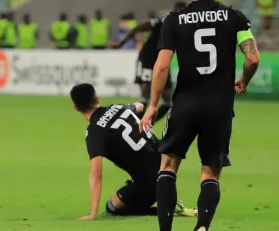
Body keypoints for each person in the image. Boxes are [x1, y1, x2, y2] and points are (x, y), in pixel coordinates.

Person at [139, 0, 259, 231]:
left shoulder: (174, 19)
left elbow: (163, 65)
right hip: (219, 108)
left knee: (167, 166)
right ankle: (201, 228)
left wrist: (153, 105)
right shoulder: (235, 18)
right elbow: (253, 57)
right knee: (210, 173)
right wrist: (243, 79)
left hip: (185, 106)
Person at [70, 83, 194, 220]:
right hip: (168, 162)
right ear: (97, 99)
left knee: (112, 208)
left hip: (151, 182)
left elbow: (96, 174)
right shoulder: (116, 107)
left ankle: (166, 207)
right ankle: (167, 199)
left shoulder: (94, 132)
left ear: (76, 107)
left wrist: (92, 214)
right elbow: (140, 106)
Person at [111, 10, 176, 123]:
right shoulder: (163, 21)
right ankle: (135, 125)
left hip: (162, 60)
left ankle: (146, 124)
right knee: (145, 94)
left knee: (168, 101)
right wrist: (121, 43)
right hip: (147, 59)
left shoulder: (184, 24)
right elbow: (139, 28)